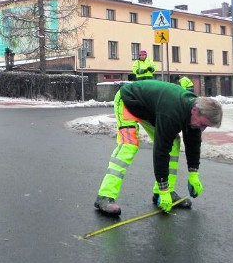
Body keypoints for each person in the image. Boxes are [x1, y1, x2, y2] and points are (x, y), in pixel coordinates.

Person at [94, 80, 223, 216]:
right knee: (129, 145)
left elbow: (193, 143)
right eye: (203, 124)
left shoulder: (194, 113)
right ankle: (104, 196)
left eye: (206, 126)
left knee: (173, 143)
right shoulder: (172, 112)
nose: (202, 129)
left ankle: (165, 192)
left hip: (150, 109)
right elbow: (161, 150)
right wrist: (163, 188)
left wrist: (193, 174)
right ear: (195, 111)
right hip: (128, 101)